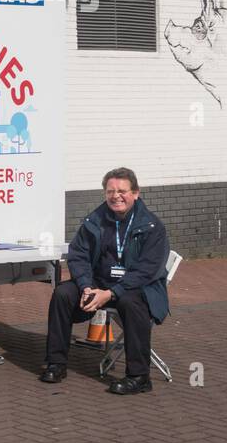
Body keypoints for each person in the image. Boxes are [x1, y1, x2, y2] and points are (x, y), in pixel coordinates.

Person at [41, 167, 170, 394]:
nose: (116, 196)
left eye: (122, 191)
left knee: (131, 303)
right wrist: (86, 286)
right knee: (62, 294)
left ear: (136, 193)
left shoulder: (152, 227)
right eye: (110, 191)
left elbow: (146, 271)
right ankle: (56, 363)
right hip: (96, 284)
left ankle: (139, 377)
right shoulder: (95, 220)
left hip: (135, 288)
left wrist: (111, 294)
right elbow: (78, 255)